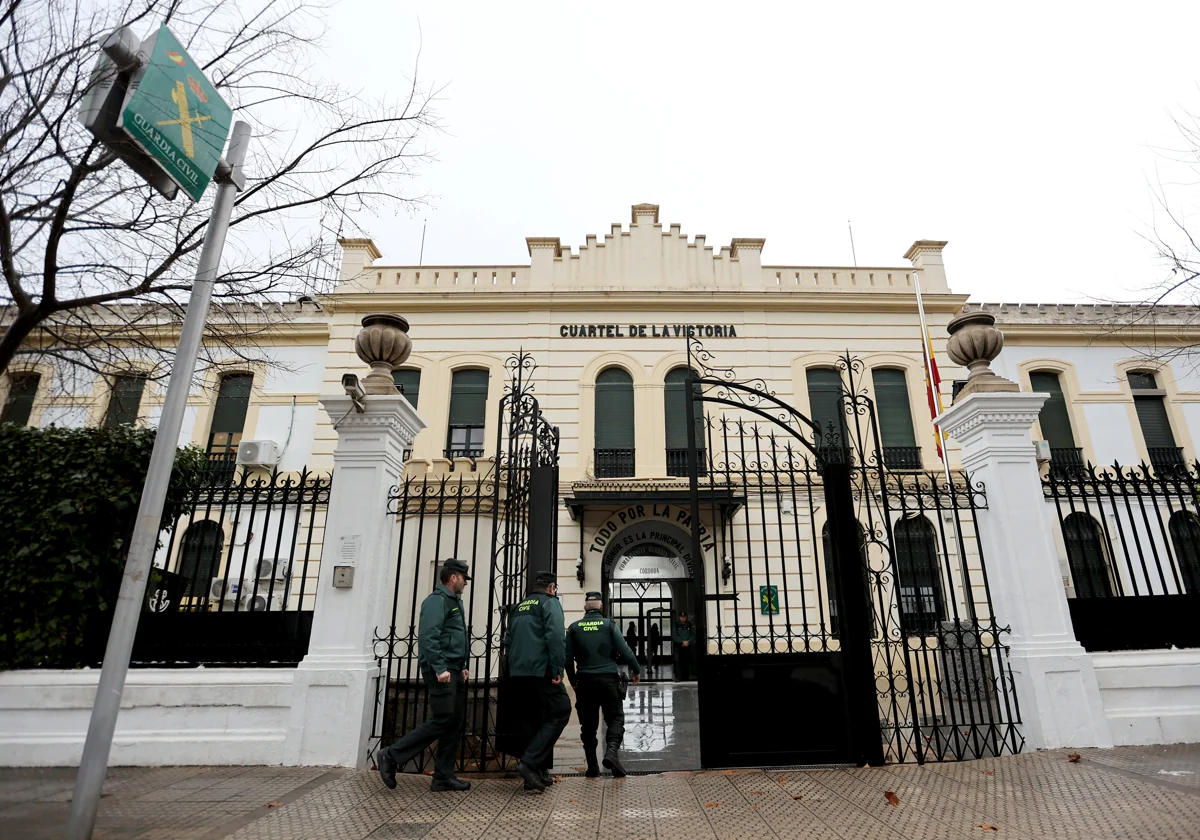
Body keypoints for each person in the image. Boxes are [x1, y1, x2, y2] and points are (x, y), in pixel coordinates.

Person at [377, 558, 472, 793]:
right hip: (440, 670)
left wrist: (461, 665)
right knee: (444, 718)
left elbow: (453, 636)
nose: (465, 583)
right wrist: (440, 668)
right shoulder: (436, 601)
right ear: (453, 577)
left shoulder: (453, 601)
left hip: (454, 668)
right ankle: (391, 754)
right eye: (463, 579)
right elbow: (429, 637)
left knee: (455, 721)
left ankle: (443, 776)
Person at [504, 570, 571, 793]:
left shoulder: (519, 607)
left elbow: (508, 639)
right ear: (552, 588)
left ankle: (535, 774)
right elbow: (555, 637)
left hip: (518, 672)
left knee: (532, 720)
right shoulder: (550, 603)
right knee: (561, 710)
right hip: (540, 670)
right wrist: (557, 668)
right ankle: (529, 762)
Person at [565, 591, 641, 777]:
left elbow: (566, 659)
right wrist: (636, 670)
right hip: (608, 681)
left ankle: (592, 767)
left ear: (585, 608)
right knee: (615, 719)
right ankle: (611, 753)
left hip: (585, 682)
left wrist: (573, 680)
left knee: (588, 727)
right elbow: (626, 650)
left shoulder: (574, 628)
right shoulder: (609, 625)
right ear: (601, 607)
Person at [673, 611, 696, 681]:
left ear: (686, 617)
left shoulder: (689, 625)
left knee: (687, 661)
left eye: (684, 617)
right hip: (678, 646)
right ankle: (678, 676)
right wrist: (682, 642)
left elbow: (693, 635)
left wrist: (688, 641)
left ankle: (686, 676)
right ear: (679, 617)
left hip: (687, 645)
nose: (683, 619)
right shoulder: (676, 625)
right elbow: (674, 636)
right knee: (677, 661)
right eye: (681, 617)